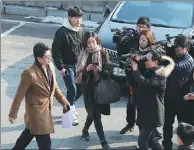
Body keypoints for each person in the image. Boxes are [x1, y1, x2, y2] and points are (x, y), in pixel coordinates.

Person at [8, 43, 70, 150]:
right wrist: (13, 114)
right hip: (37, 115)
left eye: (50, 55)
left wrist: (64, 101)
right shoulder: (29, 73)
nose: (50, 58)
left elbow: (54, 87)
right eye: (47, 57)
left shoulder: (50, 66)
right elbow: (19, 95)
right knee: (46, 145)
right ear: (39, 58)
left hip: (44, 112)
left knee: (24, 139)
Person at [130, 50, 175, 150]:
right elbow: (135, 82)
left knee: (142, 141)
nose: (145, 61)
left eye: (147, 59)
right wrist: (133, 66)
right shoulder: (150, 71)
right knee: (152, 140)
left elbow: (146, 84)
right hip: (146, 111)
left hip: (153, 114)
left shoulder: (160, 75)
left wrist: (135, 70)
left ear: (156, 62)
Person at [75, 31, 111, 150]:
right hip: (88, 89)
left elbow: (108, 73)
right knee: (95, 115)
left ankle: (85, 129)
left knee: (94, 113)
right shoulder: (83, 54)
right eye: (88, 42)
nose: (91, 45)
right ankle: (103, 141)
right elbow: (80, 76)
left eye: (93, 42)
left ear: (97, 41)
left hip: (100, 88)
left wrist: (100, 70)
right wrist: (87, 70)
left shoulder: (103, 52)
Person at [120, 16, 154, 134]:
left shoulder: (152, 45)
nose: (140, 29)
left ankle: (151, 131)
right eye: (139, 26)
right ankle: (130, 124)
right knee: (131, 103)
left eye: (143, 27)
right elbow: (123, 54)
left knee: (145, 108)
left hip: (145, 80)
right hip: (133, 79)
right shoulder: (133, 40)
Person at [52, 6, 84, 126]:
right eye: (76, 18)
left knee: (80, 89)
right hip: (67, 65)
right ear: (70, 18)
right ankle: (70, 115)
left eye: (80, 18)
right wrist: (61, 67)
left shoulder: (81, 31)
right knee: (72, 88)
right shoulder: (61, 32)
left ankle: (68, 105)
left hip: (79, 64)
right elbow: (56, 52)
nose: (78, 20)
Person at [162, 35, 194, 150]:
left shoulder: (189, 60)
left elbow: (179, 67)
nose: (177, 49)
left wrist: (167, 60)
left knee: (183, 129)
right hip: (170, 99)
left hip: (183, 102)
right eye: (175, 47)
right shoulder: (174, 56)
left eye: (180, 47)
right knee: (167, 126)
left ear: (186, 48)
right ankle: (167, 147)